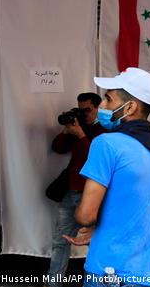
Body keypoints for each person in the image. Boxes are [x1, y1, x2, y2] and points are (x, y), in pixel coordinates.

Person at [65, 68, 150, 287]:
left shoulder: (106, 144)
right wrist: (109, 227)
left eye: (108, 99)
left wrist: (90, 221)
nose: (102, 105)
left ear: (130, 107)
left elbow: (86, 216)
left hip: (112, 276)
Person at [46, 92, 104, 287]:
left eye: (87, 110)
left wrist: (80, 135)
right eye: (81, 110)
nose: (84, 114)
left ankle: (97, 281)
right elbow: (58, 147)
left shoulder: (104, 131)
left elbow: (94, 158)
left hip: (91, 195)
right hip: (70, 192)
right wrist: (66, 130)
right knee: (60, 240)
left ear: (98, 108)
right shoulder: (80, 128)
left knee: (96, 241)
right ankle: (54, 282)